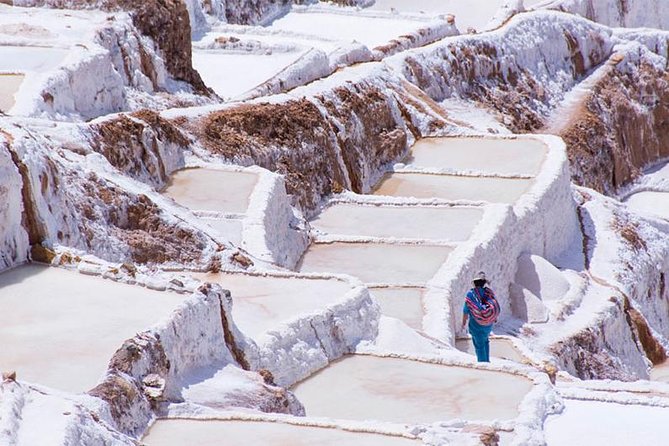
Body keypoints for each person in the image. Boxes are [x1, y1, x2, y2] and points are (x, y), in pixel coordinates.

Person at [461, 271, 500, 362]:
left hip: (476, 325)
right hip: (488, 324)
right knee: (485, 341)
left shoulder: (471, 294)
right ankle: (487, 361)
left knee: (479, 345)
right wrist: (493, 318)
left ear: (474, 283)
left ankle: (483, 363)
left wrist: (463, 322)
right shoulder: (488, 293)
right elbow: (494, 305)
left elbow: (466, 310)